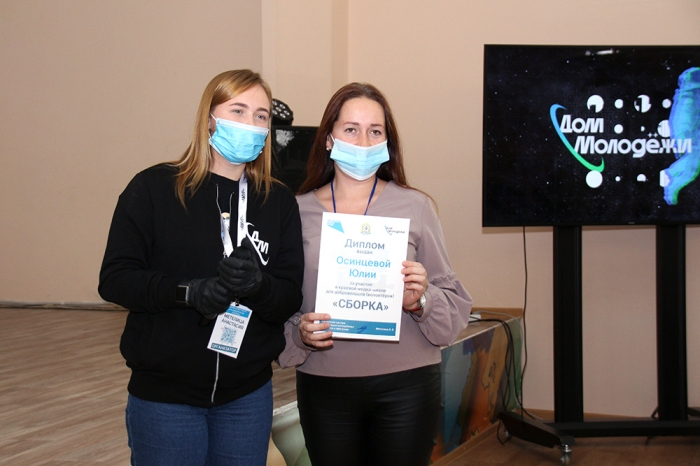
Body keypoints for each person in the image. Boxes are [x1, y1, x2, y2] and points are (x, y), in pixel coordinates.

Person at [99, 69, 304, 466]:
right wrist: (187, 293)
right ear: (209, 118)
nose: (250, 123)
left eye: (261, 116)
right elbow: (115, 279)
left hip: (247, 397)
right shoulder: (154, 188)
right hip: (166, 398)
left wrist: (258, 286)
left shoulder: (278, 202)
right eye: (238, 111)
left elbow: (288, 295)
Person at [278, 82, 473, 466]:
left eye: (375, 131)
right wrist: (299, 333)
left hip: (407, 385)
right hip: (325, 386)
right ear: (329, 139)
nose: (363, 141)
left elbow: (452, 308)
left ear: (387, 143)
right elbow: (281, 302)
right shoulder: (294, 212)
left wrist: (421, 300)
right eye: (351, 129)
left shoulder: (416, 206)